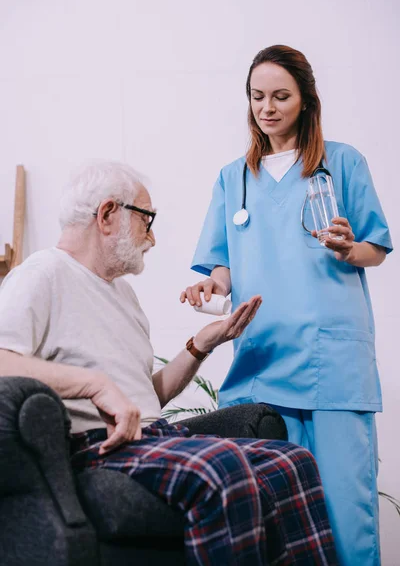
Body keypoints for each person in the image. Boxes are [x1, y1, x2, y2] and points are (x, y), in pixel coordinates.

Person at [0, 161, 338, 565]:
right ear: (108, 214)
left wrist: (201, 344)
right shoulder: (42, 273)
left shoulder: (123, 295)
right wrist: (92, 384)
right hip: (101, 446)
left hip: (153, 436)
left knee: (291, 462)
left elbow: (149, 394)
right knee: (223, 467)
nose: (153, 238)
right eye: (147, 220)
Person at [182, 45, 393, 566]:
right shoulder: (233, 177)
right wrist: (213, 284)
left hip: (331, 364)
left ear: (306, 100)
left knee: (346, 512)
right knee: (271, 519)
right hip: (263, 361)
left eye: (281, 96)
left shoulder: (340, 162)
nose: (267, 108)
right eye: (258, 96)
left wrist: (349, 249)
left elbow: (376, 248)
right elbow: (222, 261)